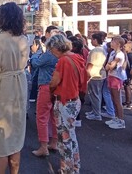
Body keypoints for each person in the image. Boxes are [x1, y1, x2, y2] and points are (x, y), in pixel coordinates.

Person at [0, 2, 29, 174]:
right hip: (20, 84)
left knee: (0, 139)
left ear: (3, 18)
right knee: (16, 133)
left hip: (1, 87)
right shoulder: (24, 39)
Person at [47, 34, 87, 174]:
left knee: (64, 139)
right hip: (74, 100)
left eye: (52, 50)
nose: (52, 53)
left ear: (57, 47)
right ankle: (75, 167)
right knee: (71, 137)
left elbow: (54, 82)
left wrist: (50, 89)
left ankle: (67, 170)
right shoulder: (76, 57)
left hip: (64, 101)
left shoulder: (63, 60)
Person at [31, 26, 59, 157]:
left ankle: (43, 146)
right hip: (56, 88)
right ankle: (54, 142)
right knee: (54, 116)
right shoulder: (60, 55)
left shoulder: (49, 55)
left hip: (46, 86)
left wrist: (35, 53)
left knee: (42, 116)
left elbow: (36, 63)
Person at [105, 36, 127, 129]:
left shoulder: (120, 54)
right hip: (111, 76)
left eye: (113, 41)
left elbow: (111, 66)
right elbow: (107, 66)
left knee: (117, 100)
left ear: (118, 44)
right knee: (113, 98)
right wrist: (109, 66)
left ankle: (121, 120)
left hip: (116, 78)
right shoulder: (113, 52)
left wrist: (109, 65)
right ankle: (116, 118)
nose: (111, 43)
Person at [85, 33, 107, 121]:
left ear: (95, 40)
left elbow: (90, 63)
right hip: (100, 73)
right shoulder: (102, 49)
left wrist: (87, 74)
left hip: (94, 74)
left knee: (94, 94)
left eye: (92, 39)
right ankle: (95, 111)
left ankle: (97, 113)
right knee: (97, 94)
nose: (91, 41)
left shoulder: (95, 51)